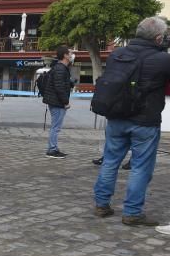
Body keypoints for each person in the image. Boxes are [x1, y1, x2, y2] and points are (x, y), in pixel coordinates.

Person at [93, 16, 170, 227]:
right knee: (140, 168)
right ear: (158, 38)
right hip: (145, 121)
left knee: (110, 162)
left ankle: (101, 204)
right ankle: (132, 212)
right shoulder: (163, 60)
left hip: (117, 117)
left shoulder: (117, 54)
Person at [42, 46, 74, 158]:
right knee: (56, 127)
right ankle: (52, 149)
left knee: (55, 126)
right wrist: (65, 102)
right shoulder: (60, 68)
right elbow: (59, 87)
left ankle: (53, 148)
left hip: (55, 101)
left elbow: (61, 84)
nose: (72, 55)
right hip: (57, 102)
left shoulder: (61, 68)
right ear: (65, 55)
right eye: (70, 53)